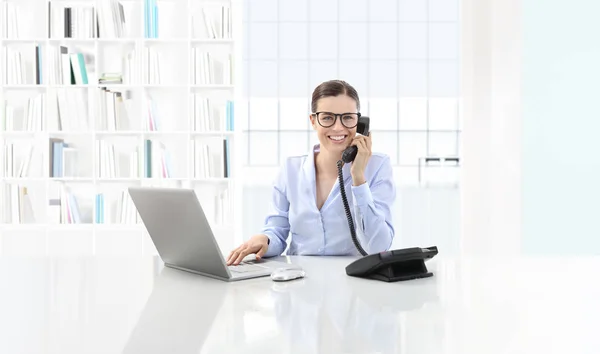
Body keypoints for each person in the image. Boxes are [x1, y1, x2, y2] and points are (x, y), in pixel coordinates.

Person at [226, 80, 396, 265]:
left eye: (347, 117)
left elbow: (378, 247)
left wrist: (358, 178)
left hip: (353, 280)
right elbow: (276, 230)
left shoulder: (378, 166)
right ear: (313, 121)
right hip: (298, 280)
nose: (338, 127)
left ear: (360, 123)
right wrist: (264, 239)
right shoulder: (291, 169)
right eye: (327, 117)